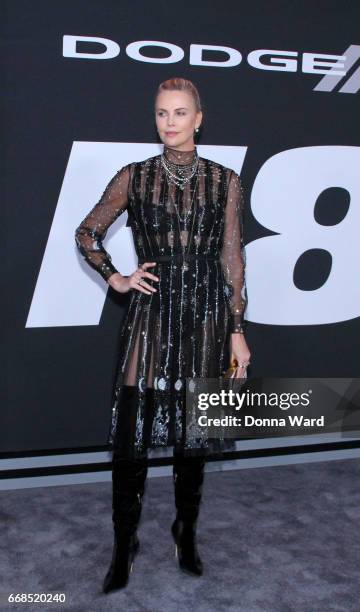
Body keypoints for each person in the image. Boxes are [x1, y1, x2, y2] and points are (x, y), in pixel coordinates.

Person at [74, 77, 251, 593]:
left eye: (179, 113)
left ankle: (185, 532)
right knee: (131, 439)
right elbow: (87, 232)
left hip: (206, 318)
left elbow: (232, 257)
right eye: (160, 113)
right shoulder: (135, 176)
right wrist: (117, 277)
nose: (169, 122)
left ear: (199, 119)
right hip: (151, 317)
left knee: (193, 436)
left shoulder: (225, 181)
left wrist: (237, 329)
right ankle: (123, 543)